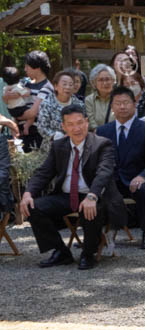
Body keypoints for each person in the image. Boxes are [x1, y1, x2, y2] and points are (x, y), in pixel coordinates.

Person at [19, 104, 126, 270]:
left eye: (79, 122)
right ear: (63, 127)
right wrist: (28, 193)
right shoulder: (58, 146)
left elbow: (104, 173)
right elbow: (44, 173)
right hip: (67, 196)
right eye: (70, 124)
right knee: (34, 207)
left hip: (95, 194)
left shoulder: (102, 144)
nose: (76, 128)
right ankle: (61, 252)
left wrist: (92, 196)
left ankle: (88, 253)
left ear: (87, 122)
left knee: (90, 208)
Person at [96, 86, 145, 249]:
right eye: (118, 103)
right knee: (93, 190)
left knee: (144, 190)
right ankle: (97, 236)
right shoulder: (103, 131)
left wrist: (143, 177)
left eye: (126, 102)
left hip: (139, 179)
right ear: (112, 107)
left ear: (134, 104)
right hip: (113, 181)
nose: (122, 106)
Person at [7, 50, 52, 151]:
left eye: (27, 66)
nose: (25, 69)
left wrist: (15, 115)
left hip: (37, 136)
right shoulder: (25, 83)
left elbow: (32, 113)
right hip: (20, 134)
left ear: (37, 67)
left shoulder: (46, 88)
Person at [36, 71, 84, 142]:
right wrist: (57, 136)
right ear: (55, 86)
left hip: (76, 144)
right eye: (64, 84)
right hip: (53, 146)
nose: (67, 87)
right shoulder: (47, 104)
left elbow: (84, 124)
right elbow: (42, 127)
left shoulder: (79, 104)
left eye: (70, 85)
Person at [85, 64, 116, 130]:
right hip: (97, 135)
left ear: (113, 81)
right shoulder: (89, 100)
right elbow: (91, 123)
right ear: (94, 83)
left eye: (107, 79)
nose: (105, 83)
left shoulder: (119, 97)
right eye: (100, 80)